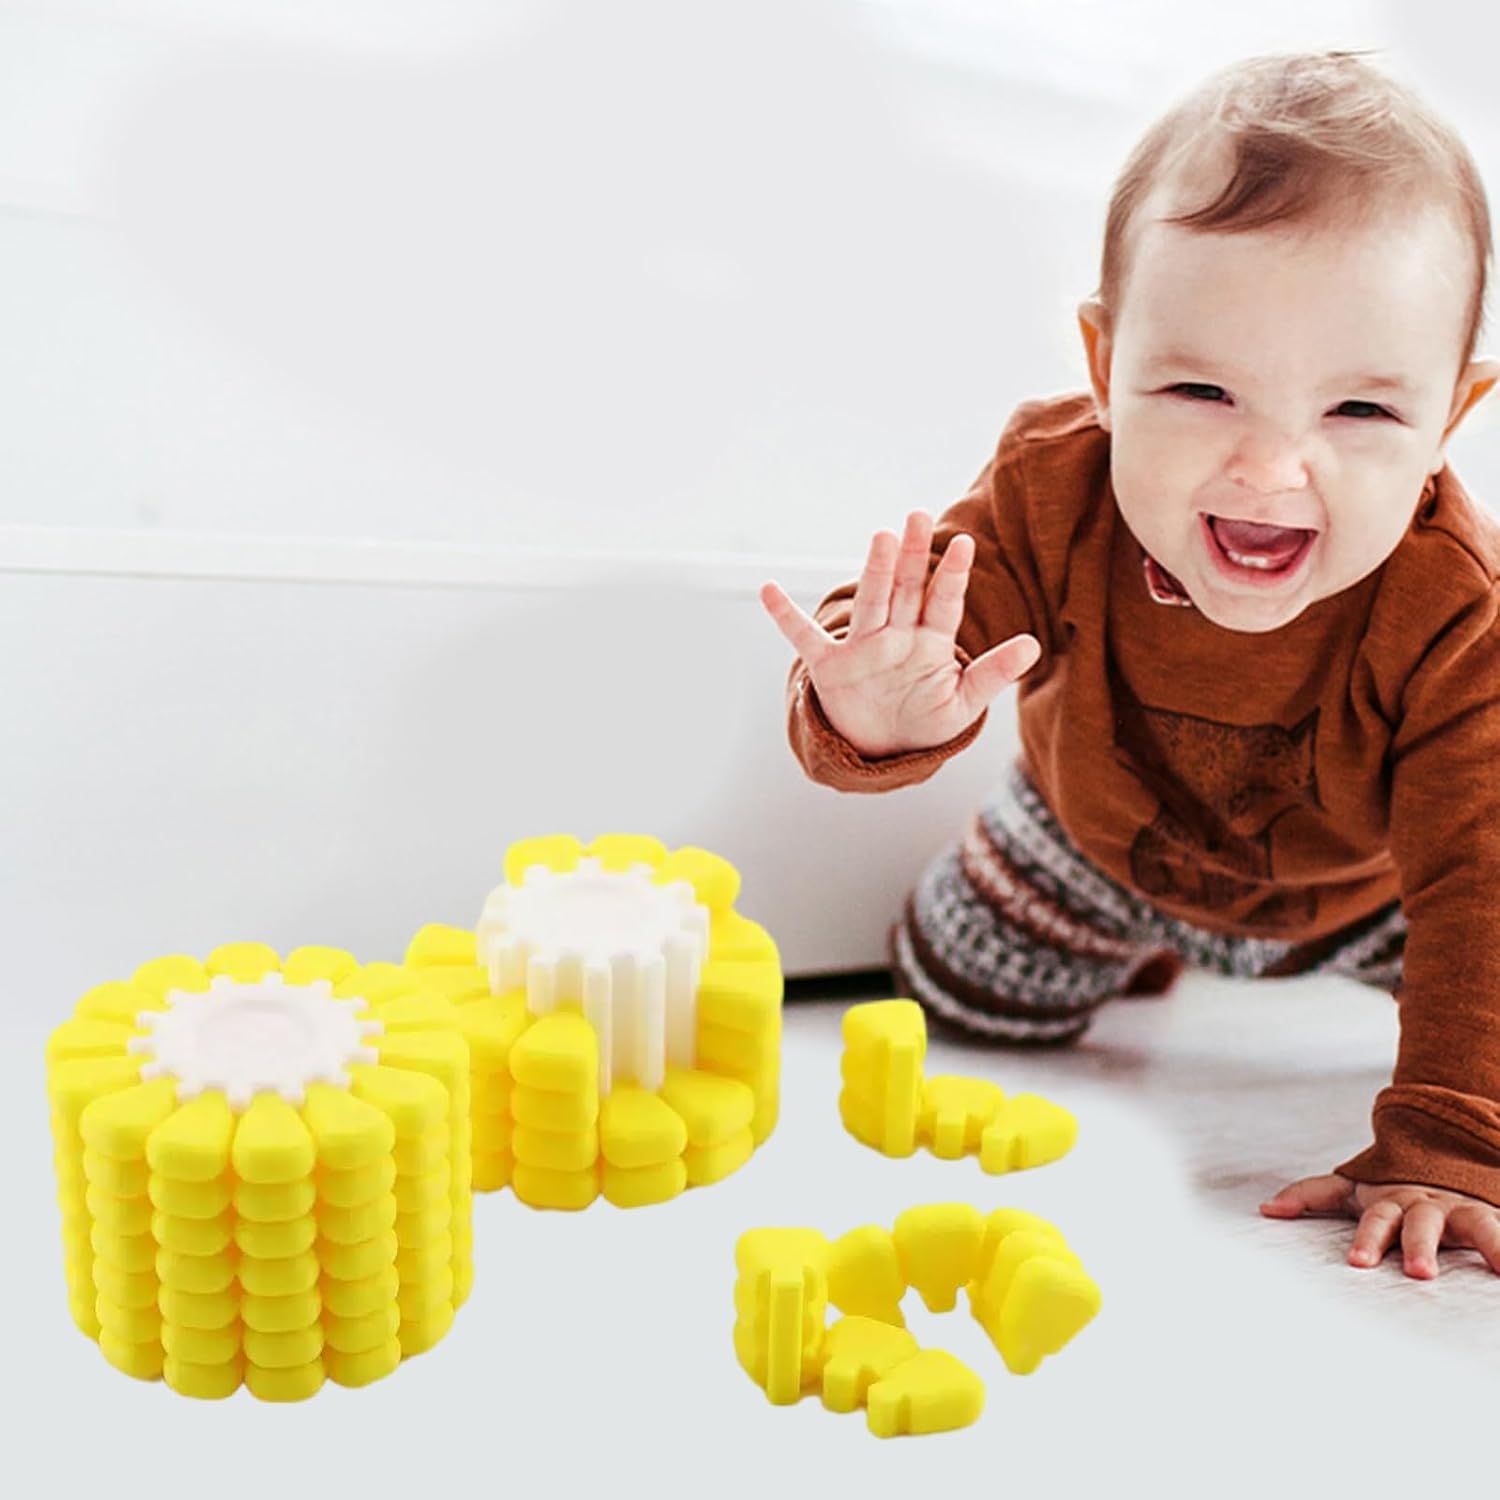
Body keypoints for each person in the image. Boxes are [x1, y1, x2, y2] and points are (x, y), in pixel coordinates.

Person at [762, 50, 1500, 1280]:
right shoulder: (1051, 487)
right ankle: (1135, 949)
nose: (1269, 469)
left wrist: (1450, 1141)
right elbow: (935, 618)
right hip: (1089, 844)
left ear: (1447, 422)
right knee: (956, 996)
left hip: (1366, 898)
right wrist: (876, 705)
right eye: (1203, 389)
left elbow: (1481, 875)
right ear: (1106, 370)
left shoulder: (1456, 609)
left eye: (1360, 412)